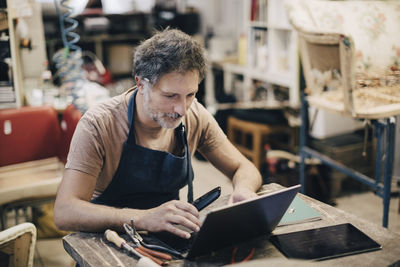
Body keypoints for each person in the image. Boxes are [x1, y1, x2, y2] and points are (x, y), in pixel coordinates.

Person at [54, 28, 262, 239]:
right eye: (170, 96)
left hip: (167, 235)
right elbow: (65, 211)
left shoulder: (195, 115)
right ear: (141, 84)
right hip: (109, 238)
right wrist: (142, 218)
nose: (182, 109)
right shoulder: (99, 124)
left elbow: (244, 167)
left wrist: (243, 189)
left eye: (190, 94)